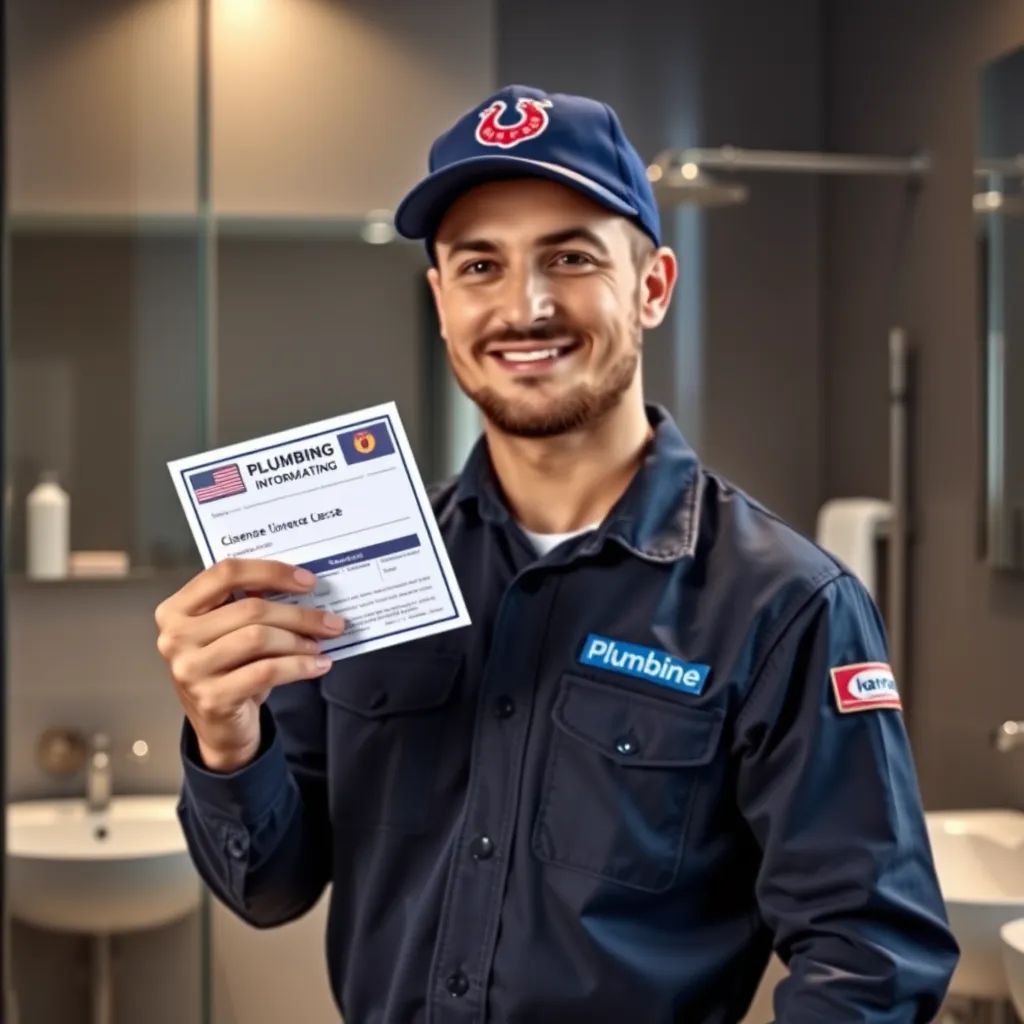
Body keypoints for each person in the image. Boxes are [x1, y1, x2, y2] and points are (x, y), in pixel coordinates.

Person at [156, 84, 959, 1023]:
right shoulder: (344, 569)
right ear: (441, 300)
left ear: (653, 286)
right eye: (479, 265)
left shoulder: (787, 606)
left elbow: (872, 956)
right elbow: (270, 888)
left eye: (570, 257)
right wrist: (225, 739)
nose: (524, 306)